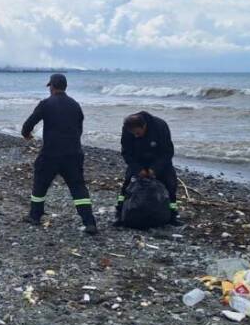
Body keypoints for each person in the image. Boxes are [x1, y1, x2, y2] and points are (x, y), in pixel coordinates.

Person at [21, 73, 98, 235]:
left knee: (41, 183)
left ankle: (35, 216)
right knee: (78, 187)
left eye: (50, 86)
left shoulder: (46, 104)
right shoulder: (75, 105)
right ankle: (89, 222)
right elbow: (79, 128)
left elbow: (28, 124)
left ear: (52, 86)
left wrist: (27, 134)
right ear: (65, 87)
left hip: (51, 153)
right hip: (74, 153)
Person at [117, 111, 182, 226]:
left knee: (171, 185)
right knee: (127, 184)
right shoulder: (127, 130)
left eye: (137, 133)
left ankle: (172, 215)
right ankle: (120, 212)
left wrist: (155, 169)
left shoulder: (160, 126)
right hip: (138, 159)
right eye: (133, 134)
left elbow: (168, 152)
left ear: (144, 126)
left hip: (159, 159)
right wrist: (138, 169)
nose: (135, 136)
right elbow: (126, 152)